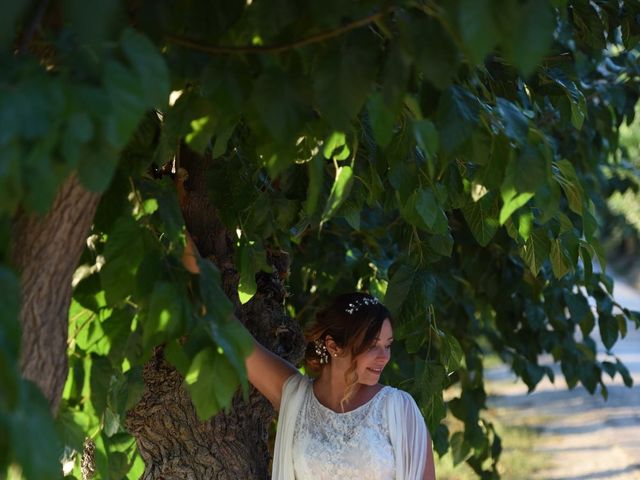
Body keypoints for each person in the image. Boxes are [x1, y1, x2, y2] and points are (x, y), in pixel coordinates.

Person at [183, 237, 436, 479]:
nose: (384, 357)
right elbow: (228, 330)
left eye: (388, 345)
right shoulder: (296, 398)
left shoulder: (398, 408)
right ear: (333, 346)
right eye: (372, 346)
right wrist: (171, 227)